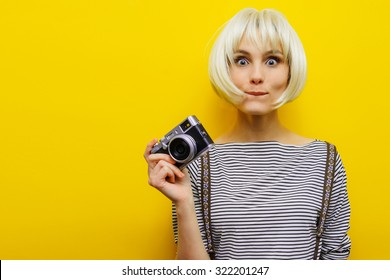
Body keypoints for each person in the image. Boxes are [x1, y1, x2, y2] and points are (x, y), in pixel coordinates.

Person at [144, 8, 351, 260]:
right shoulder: (199, 164)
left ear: (290, 70)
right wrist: (183, 202)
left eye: (272, 60)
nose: (256, 76)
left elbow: (336, 258)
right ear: (225, 69)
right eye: (242, 61)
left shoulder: (324, 159)